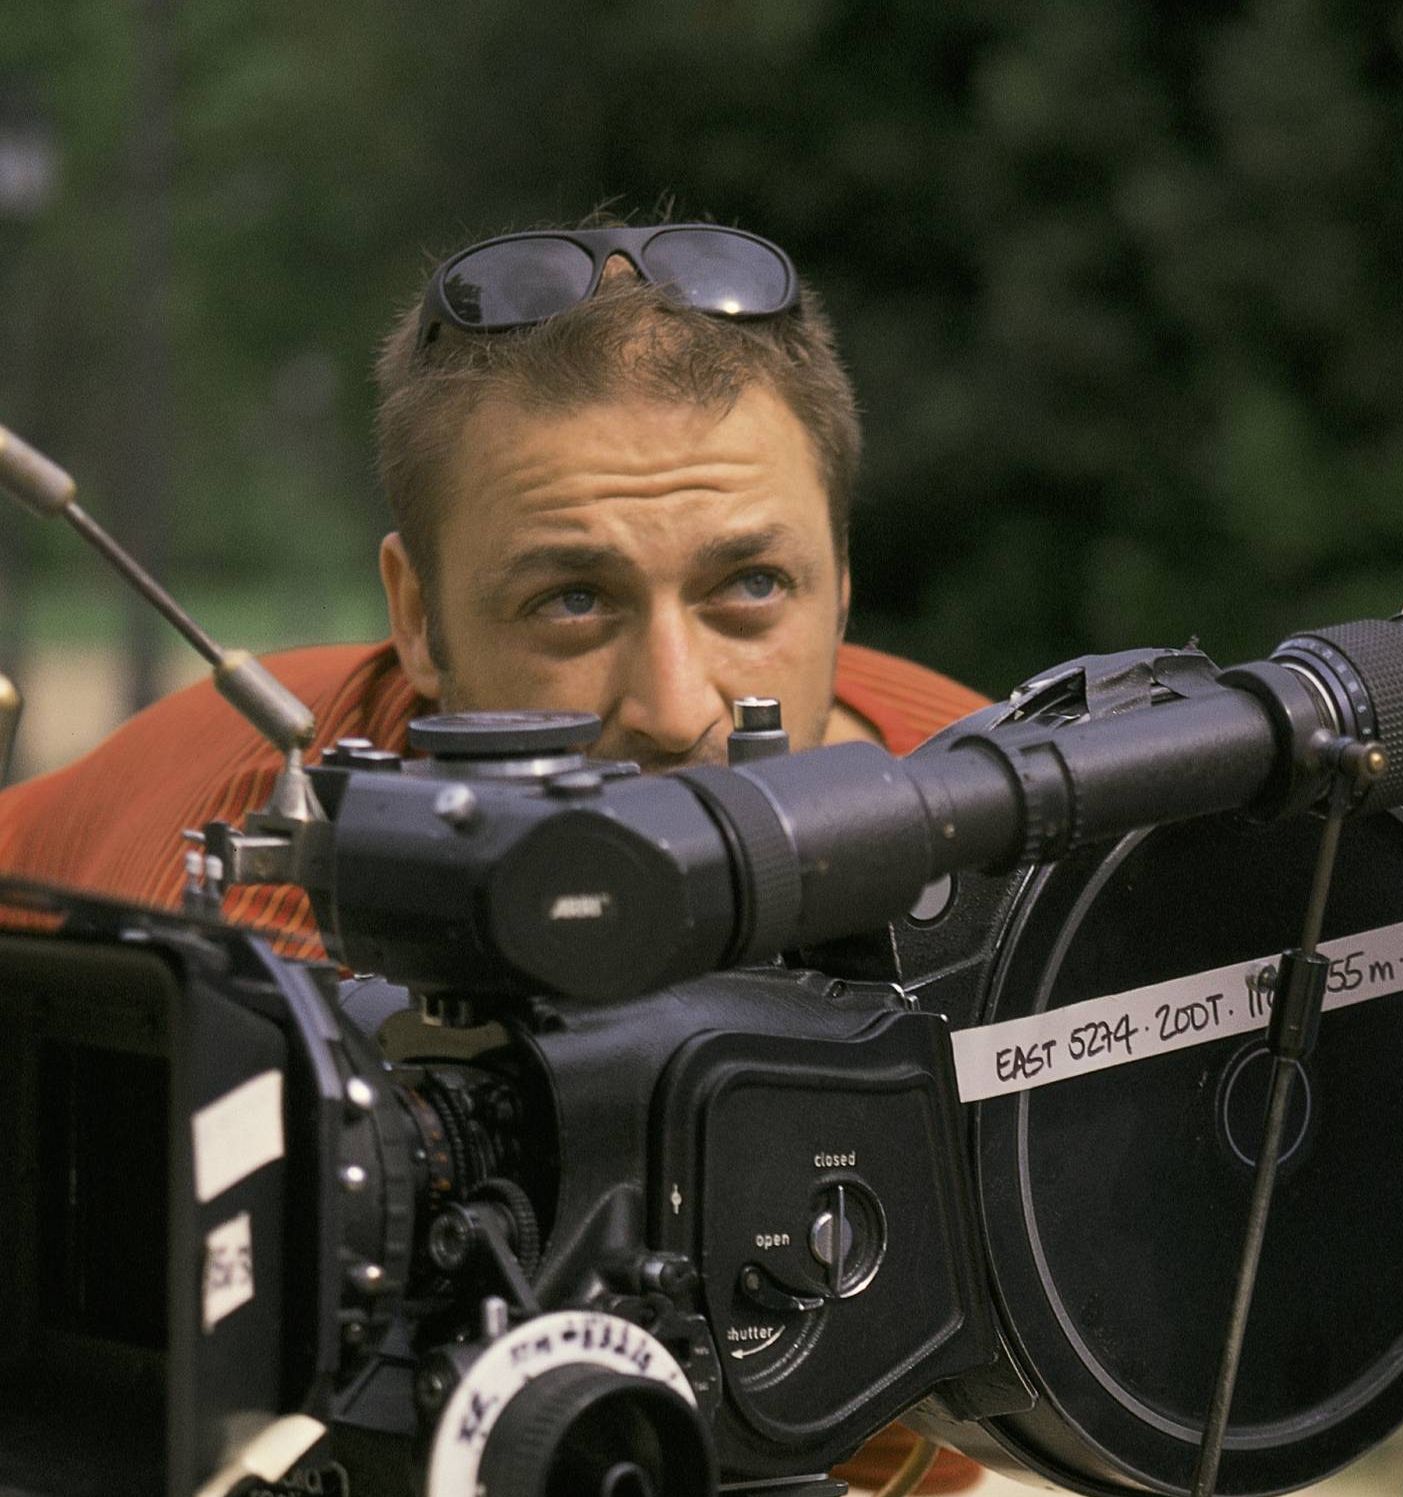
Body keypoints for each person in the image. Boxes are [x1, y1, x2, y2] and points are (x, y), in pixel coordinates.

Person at [0, 219, 988, 1492]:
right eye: (572, 600)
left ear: (841, 581)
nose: (676, 705)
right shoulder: (291, 893)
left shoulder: (1004, 839)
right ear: (418, 619)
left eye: (748, 585)